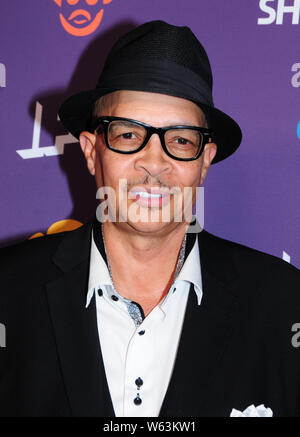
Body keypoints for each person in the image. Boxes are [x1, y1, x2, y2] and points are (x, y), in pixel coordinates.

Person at [0, 20, 299, 418]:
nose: (155, 163)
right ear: (91, 151)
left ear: (205, 161)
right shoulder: (7, 291)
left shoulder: (284, 303)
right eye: (127, 134)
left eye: (180, 140)